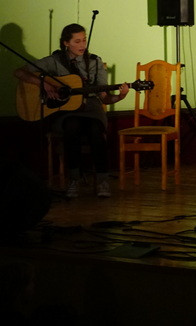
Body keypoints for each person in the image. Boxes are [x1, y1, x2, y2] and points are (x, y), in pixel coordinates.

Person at [14, 23, 129, 198]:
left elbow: (105, 97)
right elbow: (19, 72)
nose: (82, 45)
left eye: (84, 40)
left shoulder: (95, 62)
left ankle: (102, 180)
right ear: (66, 43)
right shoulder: (54, 61)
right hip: (67, 111)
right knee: (71, 126)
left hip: (91, 108)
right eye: (77, 41)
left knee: (95, 129)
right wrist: (44, 83)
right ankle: (73, 179)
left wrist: (120, 96)